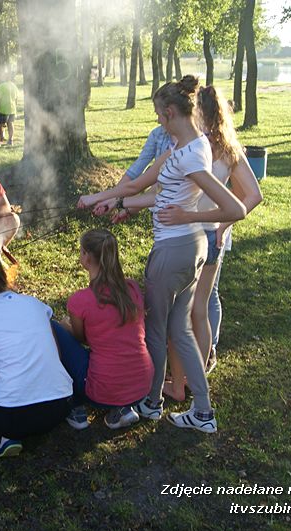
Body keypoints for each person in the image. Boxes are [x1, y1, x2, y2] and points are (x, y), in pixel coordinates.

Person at [77, 75, 246, 433]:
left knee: (155, 329)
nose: (156, 120)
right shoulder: (191, 146)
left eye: (157, 113)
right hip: (190, 249)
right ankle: (203, 411)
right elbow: (148, 190)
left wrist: (192, 215)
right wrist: (114, 201)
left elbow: (234, 208)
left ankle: (151, 403)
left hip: (174, 249)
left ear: (170, 112)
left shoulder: (190, 156)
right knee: (179, 331)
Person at [163, 85, 263, 401]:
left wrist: (224, 224)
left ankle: (187, 381)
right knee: (196, 309)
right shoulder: (212, 147)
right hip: (201, 233)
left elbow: (253, 196)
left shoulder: (211, 148)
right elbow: (252, 196)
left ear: (201, 112)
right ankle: (191, 378)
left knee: (188, 311)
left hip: (198, 233)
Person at [0, 255, 73, 456]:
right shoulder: (34, 304)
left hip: (10, 419)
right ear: (4, 277)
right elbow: (57, 353)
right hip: (61, 406)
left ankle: (8, 436)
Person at [54, 229, 153, 430]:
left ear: (87, 257)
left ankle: (76, 407)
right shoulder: (132, 288)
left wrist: (65, 326)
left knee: (55, 328)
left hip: (102, 391)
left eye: (81, 251)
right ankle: (123, 409)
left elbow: (82, 339)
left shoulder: (80, 300)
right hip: (143, 385)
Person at [0, 74, 19, 145]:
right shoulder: (14, 86)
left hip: (3, 108)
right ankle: (10, 140)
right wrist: (15, 106)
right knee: (10, 124)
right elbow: (16, 98)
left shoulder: (2, 85)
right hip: (12, 108)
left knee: (0, 125)